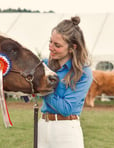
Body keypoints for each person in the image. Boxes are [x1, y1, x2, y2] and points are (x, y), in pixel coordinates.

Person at [38, 16, 93, 148]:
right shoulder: (45, 65)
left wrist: (42, 88)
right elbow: (29, 92)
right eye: (50, 42)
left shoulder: (83, 73)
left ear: (72, 47)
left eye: (57, 45)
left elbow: (66, 108)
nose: (51, 47)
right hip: (43, 127)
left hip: (66, 131)